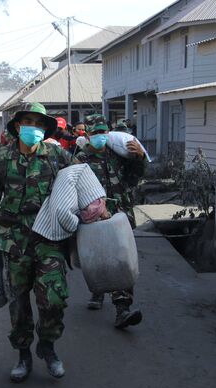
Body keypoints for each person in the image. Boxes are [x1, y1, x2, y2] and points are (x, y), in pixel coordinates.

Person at [0, 102, 71, 383]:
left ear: (45, 129)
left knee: (54, 299)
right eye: (28, 122)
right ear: (18, 126)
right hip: (13, 243)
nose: (34, 128)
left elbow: (80, 185)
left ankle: (48, 346)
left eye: (39, 123)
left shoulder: (58, 156)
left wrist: (99, 210)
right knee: (18, 305)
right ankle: (23, 354)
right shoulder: (1, 160)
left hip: (49, 239)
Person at [73, 114, 145, 329]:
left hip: (120, 215)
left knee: (121, 260)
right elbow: (73, 187)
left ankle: (122, 309)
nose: (100, 136)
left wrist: (140, 158)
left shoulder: (118, 154)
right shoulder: (81, 158)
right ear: (87, 135)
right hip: (93, 219)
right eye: (95, 133)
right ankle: (98, 290)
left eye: (103, 132)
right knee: (98, 257)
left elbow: (134, 178)